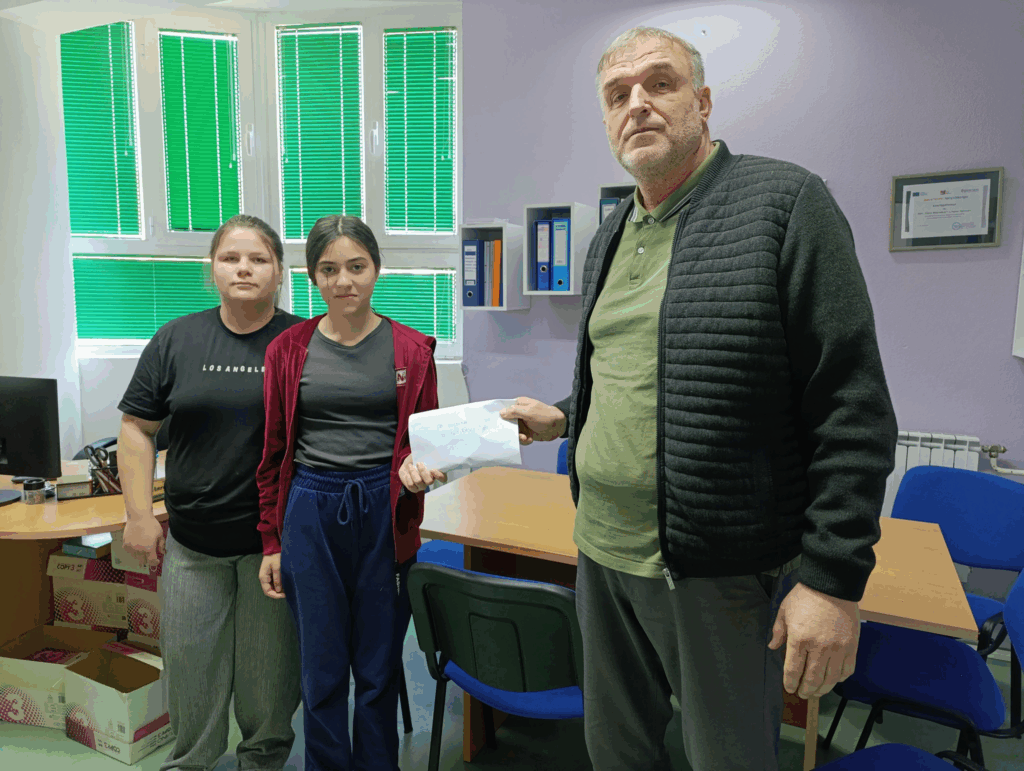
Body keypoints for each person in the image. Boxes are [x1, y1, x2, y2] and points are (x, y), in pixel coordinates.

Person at [499, 26, 898, 771]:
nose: (637, 104)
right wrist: (566, 415)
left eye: (661, 83)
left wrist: (831, 580)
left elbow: (852, 404)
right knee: (615, 754)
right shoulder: (611, 233)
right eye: (617, 94)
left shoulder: (784, 204)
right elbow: (639, 376)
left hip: (718, 571)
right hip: (600, 551)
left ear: (703, 101)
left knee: (727, 759)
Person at [255, 215, 446, 771]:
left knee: (378, 666)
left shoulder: (412, 350)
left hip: (384, 511)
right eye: (329, 269)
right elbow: (272, 452)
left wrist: (418, 468)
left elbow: (424, 442)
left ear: (376, 269)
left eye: (357, 267)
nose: (344, 281)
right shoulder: (287, 350)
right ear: (312, 277)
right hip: (310, 510)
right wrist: (271, 541)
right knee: (321, 668)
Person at [117, 214, 304, 771]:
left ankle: (262, 762)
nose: (244, 269)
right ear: (212, 269)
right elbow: (137, 427)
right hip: (192, 546)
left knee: (268, 685)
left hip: (273, 548)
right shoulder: (176, 339)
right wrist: (139, 515)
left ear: (279, 271)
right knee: (192, 675)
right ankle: (190, 762)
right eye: (230, 258)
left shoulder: (302, 343)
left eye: (259, 259)